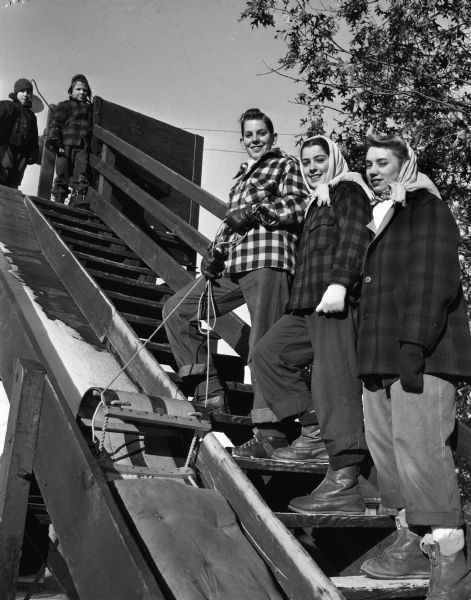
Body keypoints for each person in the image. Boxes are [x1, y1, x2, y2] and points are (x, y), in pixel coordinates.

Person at [357, 134, 471, 599]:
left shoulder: (427, 208)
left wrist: (414, 344)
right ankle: (409, 541)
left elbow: (433, 278)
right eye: (368, 163)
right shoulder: (382, 216)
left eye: (383, 162)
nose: (373, 170)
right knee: (388, 453)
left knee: (422, 450)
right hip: (379, 358)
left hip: (419, 353)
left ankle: (453, 565)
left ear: (407, 163)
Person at [241, 136, 373, 515]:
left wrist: (340, 282)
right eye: (307, 161)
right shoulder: (317, 202)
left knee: (335, 380)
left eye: (320, 159)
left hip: (333, 300)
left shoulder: (348, 189)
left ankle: (345, 479)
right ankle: (314, 431)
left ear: (334, 159)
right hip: (305, 303)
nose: (313, 166)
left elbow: (354, 235)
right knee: (266, 355)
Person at [162, 108, 307, 416]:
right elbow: (230, 224)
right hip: (235, 264)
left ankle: (268, 429)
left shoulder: (285, 164)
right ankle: (209, 392)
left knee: (262, 341)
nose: (256, 139)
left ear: (273, 136)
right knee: (177, 310)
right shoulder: (241, 178)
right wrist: (213, 254)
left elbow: (298, 204)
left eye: (261, 133)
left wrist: (258, 211)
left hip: (268, 260)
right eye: (250, 135)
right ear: (242, 140)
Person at [48, 74, 92, 207]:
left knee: (81, 171)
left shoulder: (91, 109)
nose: (82, 92)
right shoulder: (65, 105)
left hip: (82, 146)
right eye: (78, 89)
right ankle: (59, 197)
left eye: (84, 90)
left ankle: (77, 197)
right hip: (65, 144)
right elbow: (56, 124)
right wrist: (56, 141)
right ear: (71, 91)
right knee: (62, 172)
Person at [0, 78, 39, 189]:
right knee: (3, 171)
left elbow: (34, 136)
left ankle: (10, 201)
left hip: (23, 151)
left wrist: (34, 152)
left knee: (16, 178)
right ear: (16, 93)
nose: (26, 94)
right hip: (7, 146)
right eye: (22, 91)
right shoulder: (7, 105)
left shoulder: (31, 116)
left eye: (29, 92)